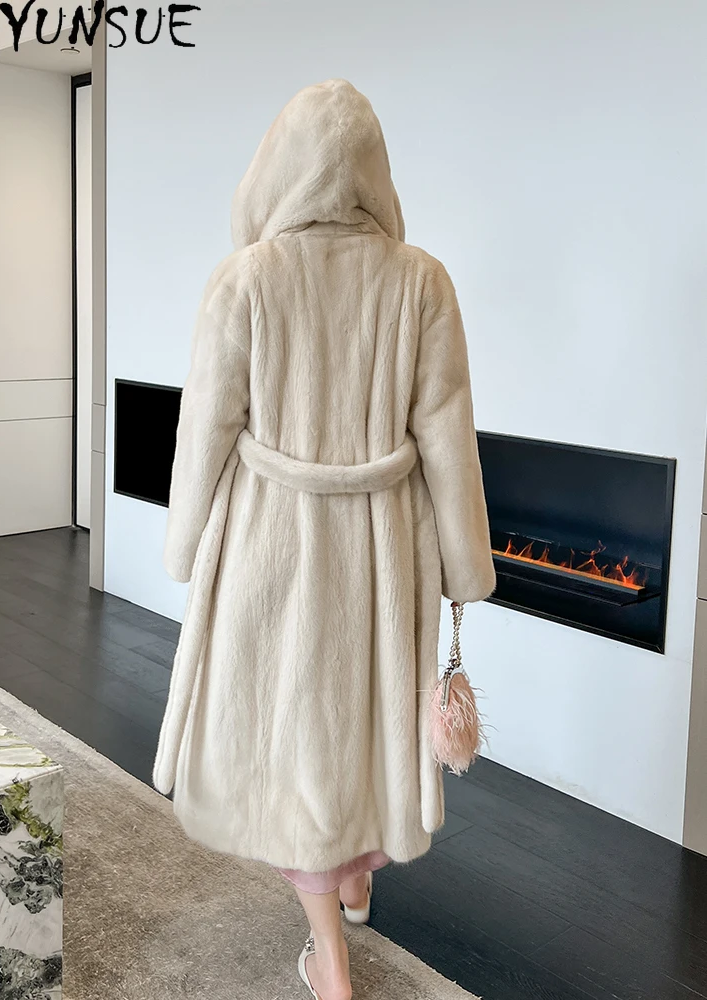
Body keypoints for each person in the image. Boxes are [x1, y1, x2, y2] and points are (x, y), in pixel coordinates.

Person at [153, 79, 496, 1000]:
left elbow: (205, 427)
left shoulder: (245, 279)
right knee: (364, 725)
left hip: (272, 542)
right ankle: (354, 885)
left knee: (298, 741)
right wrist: (466, 568)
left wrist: (183, 544)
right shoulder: (422, 281)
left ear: (279, 166)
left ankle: (331, 966)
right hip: (386, 550)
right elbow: (448, 435)